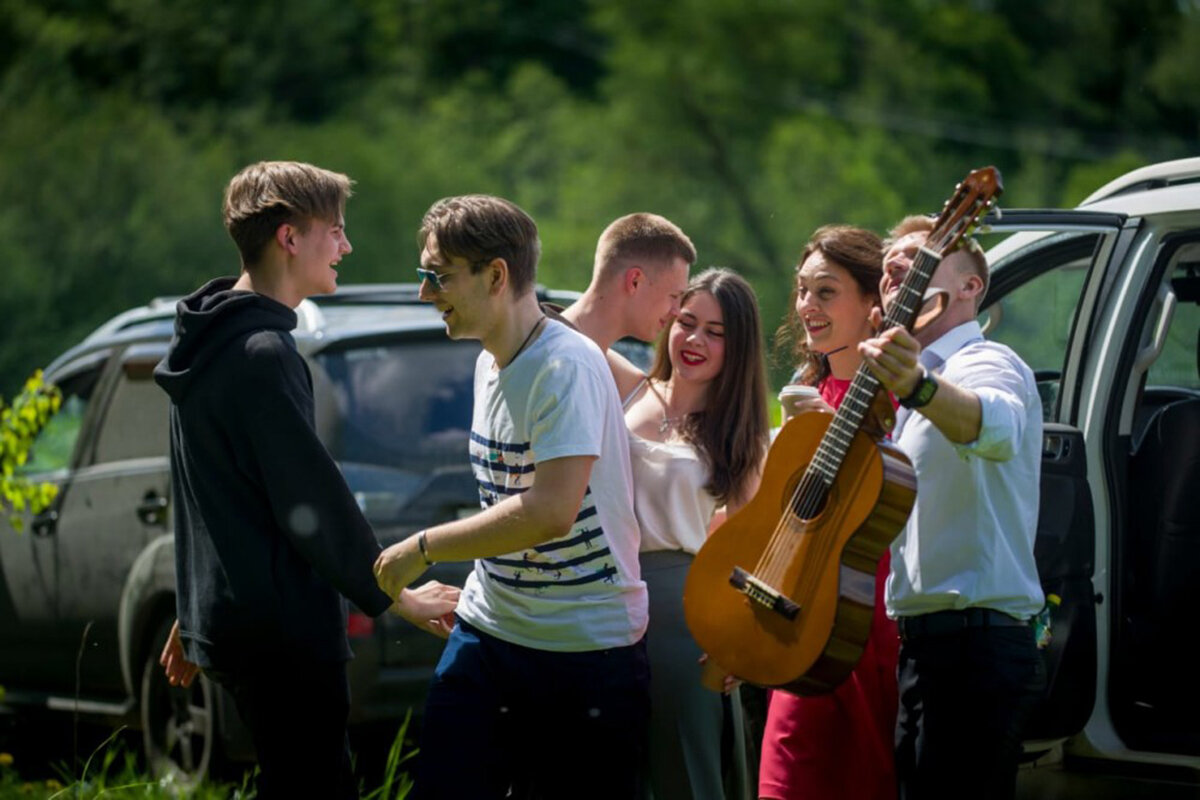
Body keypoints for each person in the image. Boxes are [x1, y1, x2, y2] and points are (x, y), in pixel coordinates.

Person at [153, 161, 459, 799]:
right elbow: (309, 501)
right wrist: (398, 594)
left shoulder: (206, 342)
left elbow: (217, 490)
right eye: (336, 230)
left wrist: (195, 609)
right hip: (288, 637)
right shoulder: (263, 353)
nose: (346, 246)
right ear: (290, 238)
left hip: (243, 629)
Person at [374, 194, 651, 799]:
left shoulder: (564, 366)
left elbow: (550, 511)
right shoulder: (487, 362)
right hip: (488, 634)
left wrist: (423, 546)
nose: (425, 293)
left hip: (585, 652)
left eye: (439, 276)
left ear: (495, 275)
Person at [859, 215, 1047, 800]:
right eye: (889, 272)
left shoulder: (983, 363)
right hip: (931, 649)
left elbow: (995, 426)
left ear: (970, 286)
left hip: (976, 650)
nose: (894, 273)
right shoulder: (913, 387)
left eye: (915, 259)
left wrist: (917, 385)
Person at [757, 225, 899, 800]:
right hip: (799, 610)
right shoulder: (802, 392)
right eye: (801, 291)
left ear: (874, 303)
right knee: (785, 781)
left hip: (868, 615)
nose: (806, 307)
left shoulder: (899, 396)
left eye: (825, 291)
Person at [618, 268, 768, 800]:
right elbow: (566, 326)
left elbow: (754, 550)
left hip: (683, 618)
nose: (694, 340)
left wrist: (738, 644)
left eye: (716, 331)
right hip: (601, 606)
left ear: (739, 346)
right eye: (686, 322)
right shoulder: (628, 384)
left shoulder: (739, 433)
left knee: (684, 774)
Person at [560, 211, 694, 399]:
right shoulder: (568, 364)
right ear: (635, 281)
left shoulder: (584, 357)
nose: (676, 311)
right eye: (673, 296)